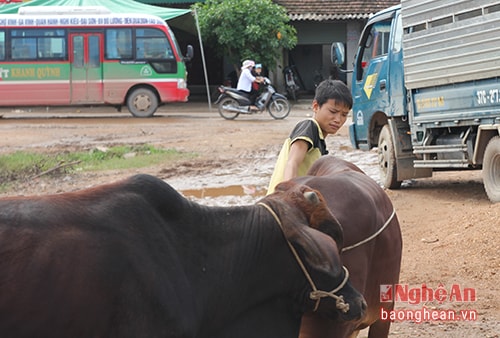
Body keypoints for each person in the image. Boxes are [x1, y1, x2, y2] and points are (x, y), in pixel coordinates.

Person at [266, 79, 352, 194]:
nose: (338, 119)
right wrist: (290, 195)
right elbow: (292, 162)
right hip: (285, 201)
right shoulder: (309, 127)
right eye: (333, 111)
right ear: (316, 106)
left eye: (344, 114)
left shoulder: (320, 143)